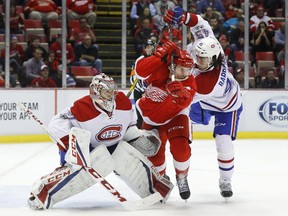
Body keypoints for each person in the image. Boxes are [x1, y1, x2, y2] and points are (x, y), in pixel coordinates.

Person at [28, 73, 174, 210]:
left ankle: (154, 189)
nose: (112, 96)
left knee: (123, 155)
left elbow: (129, 125)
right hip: (87, 150)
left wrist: (136, 137)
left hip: (114, 145)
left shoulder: (123, 103)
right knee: (100, 161)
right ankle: (43, 192)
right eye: (107, 92)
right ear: (96, 91)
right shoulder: (82, 107)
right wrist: (71, 145)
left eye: (112, 91)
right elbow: (57, 122)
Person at [163, 6, 243, 199]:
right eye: (197, 55)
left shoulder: (209, 83)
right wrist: (183, 17)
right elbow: (200, 23)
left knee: (223, 143)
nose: (198, 59)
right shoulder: (210, 45)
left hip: (227, 106)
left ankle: (225, 181)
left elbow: (182, 99)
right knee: (182, 129)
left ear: (213, 59)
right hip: (204, 102)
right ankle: (182, 169)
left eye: (202, 58)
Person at [134, 41, 197, 200]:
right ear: (172, 67)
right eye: (181, 69)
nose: (185, 73)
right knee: (155, 155)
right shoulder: (160, 68)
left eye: (188, 70)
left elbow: (186, 100)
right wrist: (158, 56)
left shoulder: (188, 81)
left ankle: (182, 177)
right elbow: (140, 71)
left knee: (181, 149)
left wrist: (180, 94)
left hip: (176, 116)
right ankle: (160, 179)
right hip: (152, 118)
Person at [130, 38, 156, 129]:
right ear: (144, 49)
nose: (149, 49)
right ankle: (139, 138)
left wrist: (148, 91)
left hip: (153, 94)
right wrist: (142, 90)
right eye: (147, 47)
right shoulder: (139, 61)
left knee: (153, 118)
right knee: (140, 119)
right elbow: (133, 79)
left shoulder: (157, 61)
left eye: (151, 47)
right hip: (139, 92)